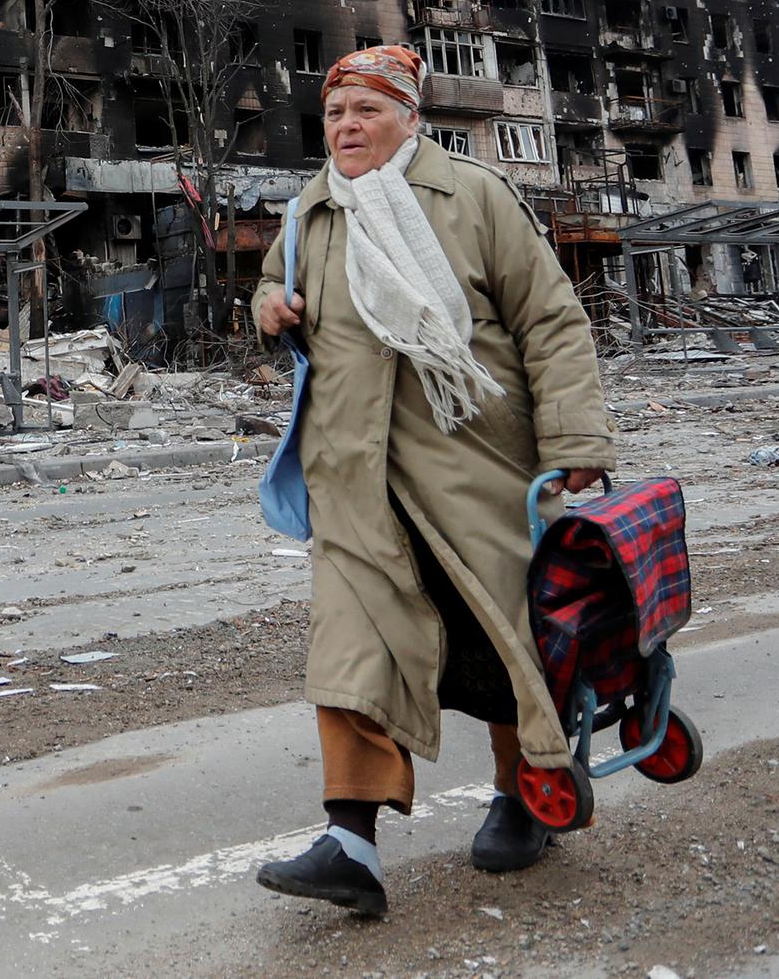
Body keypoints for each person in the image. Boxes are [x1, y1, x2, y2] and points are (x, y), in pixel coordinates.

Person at [250, 45, 615, 917]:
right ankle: (350, 842)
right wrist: (268, 306)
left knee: (497, 642)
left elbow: (551, 319)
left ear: (410, 117)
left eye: (366, 112)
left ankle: (524, 793)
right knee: (350, 652)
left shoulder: (475, 198)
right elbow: (276, 281)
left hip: (473, 471)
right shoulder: (311, 211)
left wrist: (574, 436)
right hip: (354, 475)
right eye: (336, 114)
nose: (346, 128)